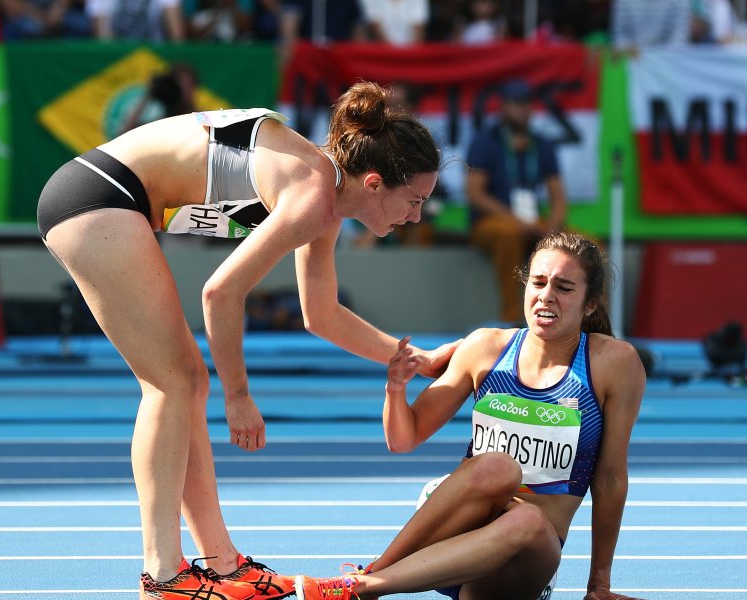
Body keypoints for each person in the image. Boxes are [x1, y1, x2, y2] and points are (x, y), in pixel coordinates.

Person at [36, 81, 457, 600]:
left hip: (106, 199)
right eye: (414, 200)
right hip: (97, 197)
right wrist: (238, 396)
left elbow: (321, 314)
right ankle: (162, 574)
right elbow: (220, 293)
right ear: (374, 184)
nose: (416, 216)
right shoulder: (311, 194)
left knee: (185, 382)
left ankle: (222, 564)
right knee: (172, 383)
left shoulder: (326, 193)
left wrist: (414, 358)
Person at [293, 231, 647, 600]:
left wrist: (599, 586)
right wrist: (395, 389)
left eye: (565, 287)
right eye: (539, 282)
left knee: (526, 520)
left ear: (591, 304)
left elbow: (608, 479)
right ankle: (366, 581)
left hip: (526, 554)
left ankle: (369, 585)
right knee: (496, 467)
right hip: (457, 526)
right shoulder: (485, 347)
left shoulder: (613, 365)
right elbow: (403, 438)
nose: (546, 296)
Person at [466, 78, 568, 325]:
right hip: (493, 223)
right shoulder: (485, 141)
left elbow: (558, 195)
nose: (522, 110)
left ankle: (589, 324)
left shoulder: (541, 144)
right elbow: (475, 193)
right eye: (515, 104)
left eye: (526, 104)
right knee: (509, 235)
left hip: (533, 221)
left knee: (584, 246)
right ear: (502, 108)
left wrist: (553, 226)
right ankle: (513, 319)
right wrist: (517, 220)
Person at [611, 0, 691, 56]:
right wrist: (626, 48)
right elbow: (619, 34)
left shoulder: (680, 1)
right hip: (633, 62)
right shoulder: (623, 1)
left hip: (667, 64)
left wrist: (655, 58)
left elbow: (679, 40)